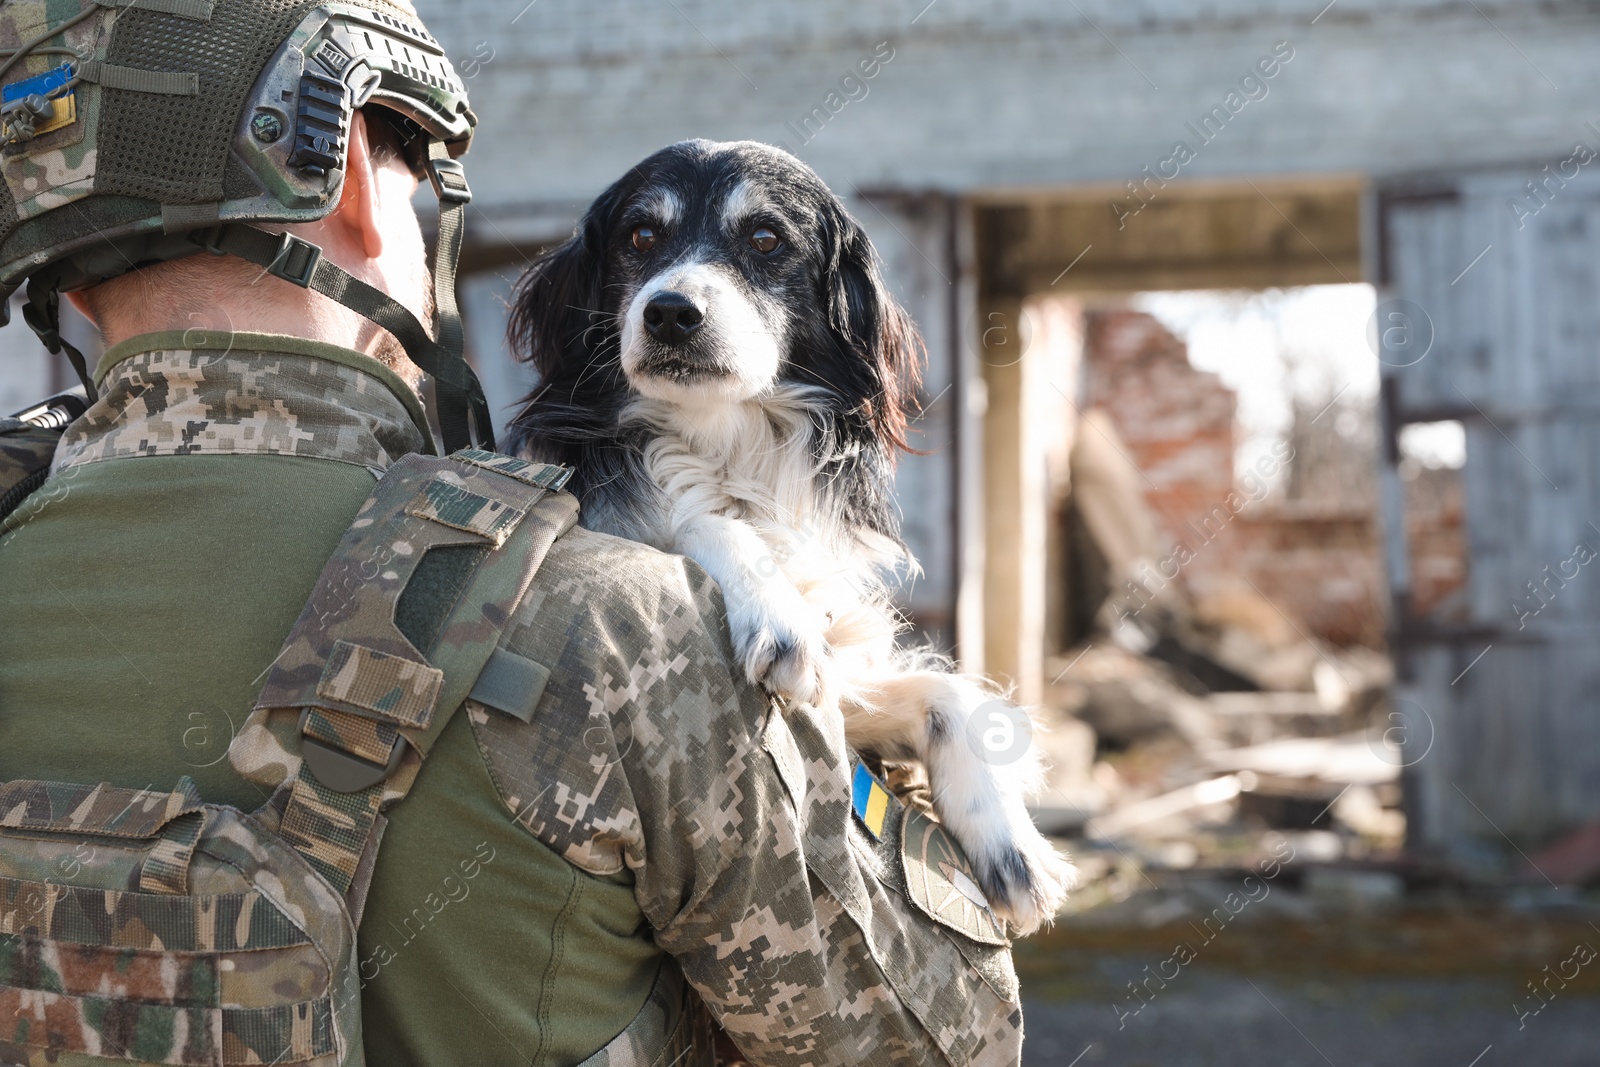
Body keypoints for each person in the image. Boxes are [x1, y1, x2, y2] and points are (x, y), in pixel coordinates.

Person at [0, 1, 1025, 1065]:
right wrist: (866, 755)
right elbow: (948, 1036)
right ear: (355, 182)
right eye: (414, 179)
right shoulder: (633, 622)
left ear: (68, 270)